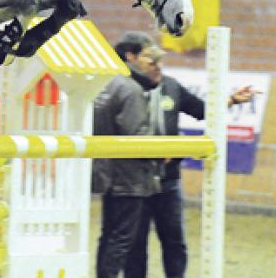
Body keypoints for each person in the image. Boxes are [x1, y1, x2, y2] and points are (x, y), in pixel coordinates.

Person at [116, 31, 258, 278]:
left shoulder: (171, 86)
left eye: (160, 61)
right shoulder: (121, 89)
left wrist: (232, 100)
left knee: (174, 243)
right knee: (134, 248)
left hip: (168, 181)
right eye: (152, 62)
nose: (159, 67)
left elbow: (202, 110)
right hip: (134, 182)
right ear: (131, 58)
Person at [92, 33, 164, 278]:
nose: (153, 66)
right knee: (122, 239)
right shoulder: (131, 90)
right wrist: (161, 152)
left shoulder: (105, 84)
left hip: (108, 174)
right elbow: (138, 136)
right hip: (129, 176)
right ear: (130, 56)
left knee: (109, 235)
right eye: (148, 58)